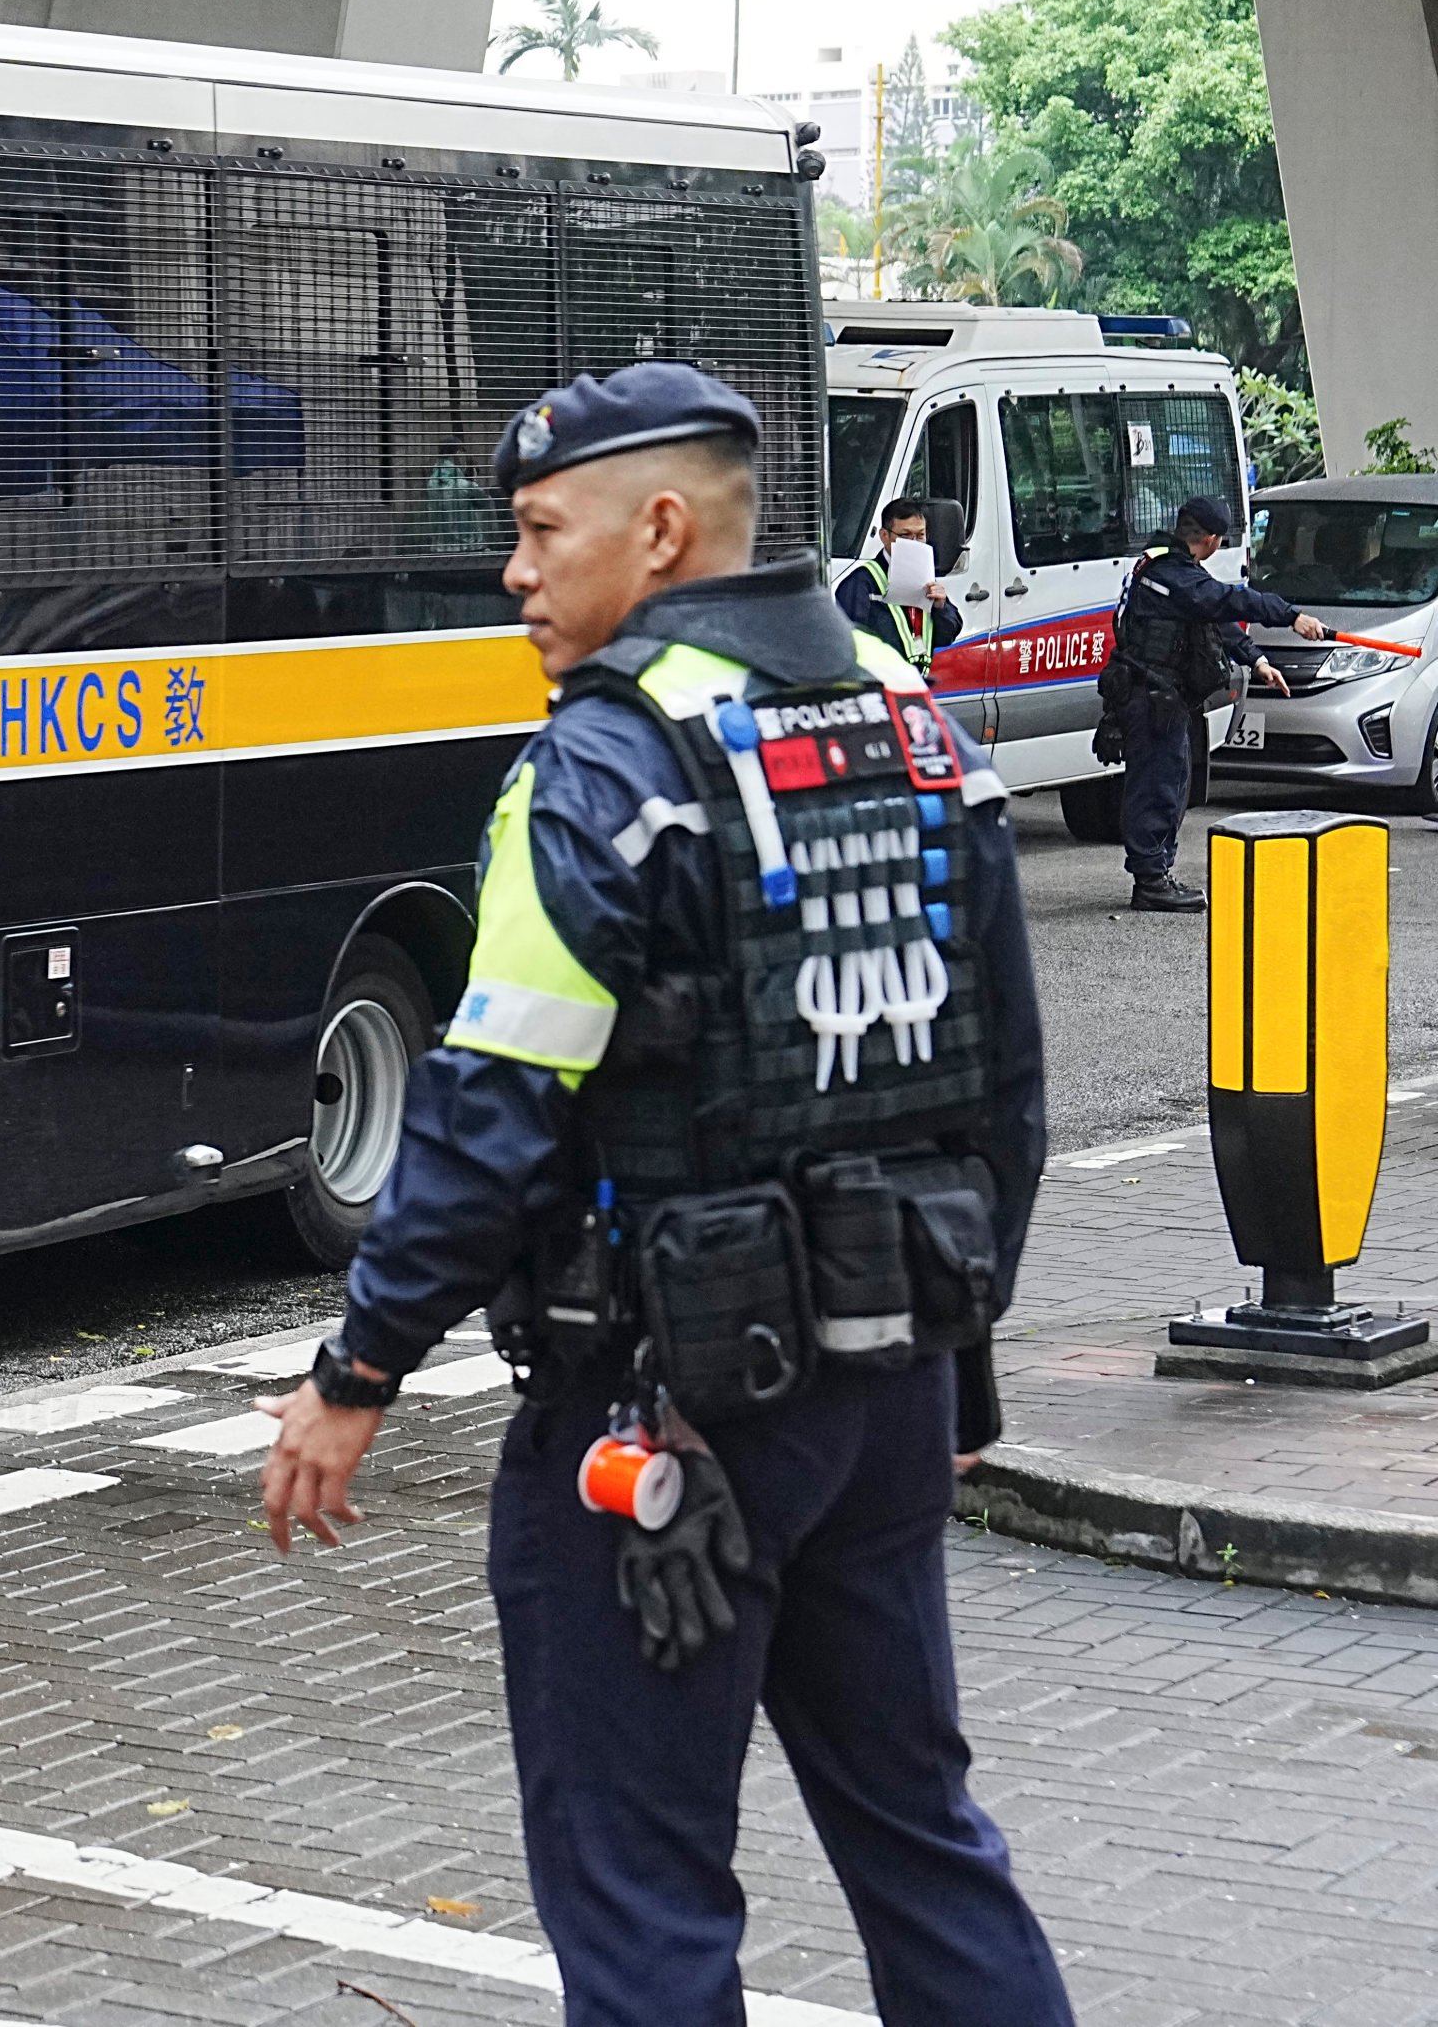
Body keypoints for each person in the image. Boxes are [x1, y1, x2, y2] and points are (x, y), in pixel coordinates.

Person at [253, 361, 1069, 2027]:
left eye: (546, 530)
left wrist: (358, 1371)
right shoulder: (914, 723)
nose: (518, 569)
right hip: (890, 1386)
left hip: (659, 1421)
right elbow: (1003, 1092)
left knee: (641, 1890)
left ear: (665, 528)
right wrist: (958, 1359)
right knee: (923, 1833)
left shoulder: (603, 776)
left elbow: (487, 1113)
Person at [1100, 494, 1323, 913]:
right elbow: (1225, 600)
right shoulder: (1171, 575)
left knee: (1173, 783)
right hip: (1151, 696)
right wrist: (1290, 615)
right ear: (1214, 539)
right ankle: (1150, 882)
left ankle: (1157, 872)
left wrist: (1256, 660)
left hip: (1160, 696)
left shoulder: (1169, 567)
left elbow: (1213, 617)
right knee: (1157, 788)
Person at [833, 494, 964, 667]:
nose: (914, 543)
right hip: (881, 684)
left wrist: (941, 607)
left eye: (920, 536)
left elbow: (946, 636)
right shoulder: (861, 583)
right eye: (906, 535)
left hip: (917, 681)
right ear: (884, 536)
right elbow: (850, 645)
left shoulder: (927, 579)